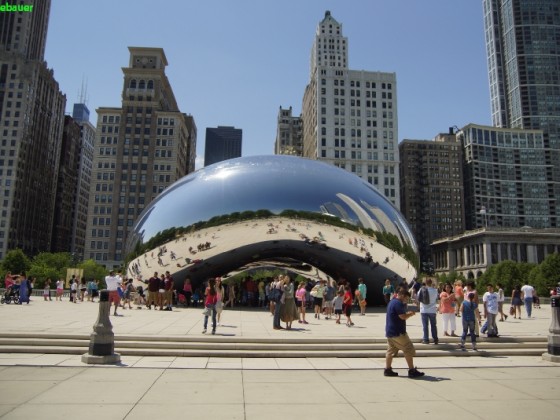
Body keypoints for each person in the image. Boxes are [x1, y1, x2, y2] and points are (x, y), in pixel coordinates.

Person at [384, 287, 424, 378]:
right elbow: (402, 316)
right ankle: (411, 370)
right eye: (406, 298)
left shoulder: (392, 302)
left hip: (390, 331)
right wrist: (410, 314)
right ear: (401, 295)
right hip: (398, 332)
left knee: (390, 351)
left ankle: (387, 369)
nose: (406, 300)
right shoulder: (398, 303)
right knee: (408, 348)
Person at [419, 278, 439, 344]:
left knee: (425, 325)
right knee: (433, 325)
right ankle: (435, 339)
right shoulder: (435, 290)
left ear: (425, 282)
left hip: (424, 310)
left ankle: (426, 339)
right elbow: (436, 298)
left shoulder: (421, 290)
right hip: (432, 310)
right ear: (431, 282)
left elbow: (418, 297)